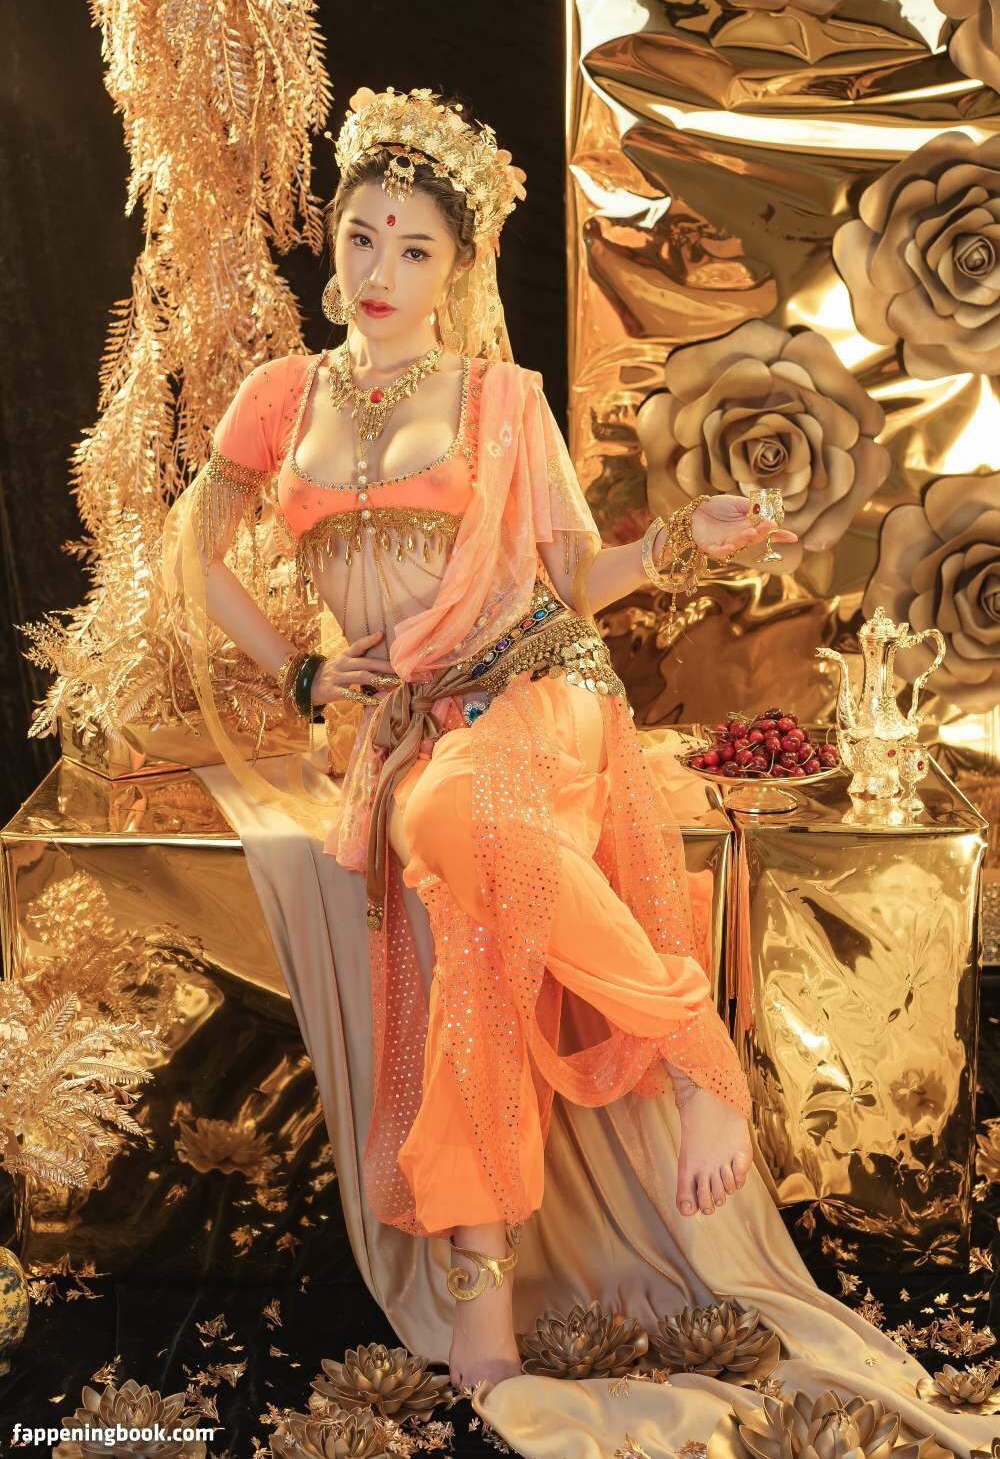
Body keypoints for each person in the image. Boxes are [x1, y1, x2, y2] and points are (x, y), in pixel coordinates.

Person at [164, 84, 797, 1390]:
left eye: (415, 250)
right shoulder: (281, 398)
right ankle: (485, 1315)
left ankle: (695, 1056)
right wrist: (299, 669)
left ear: (456, 271)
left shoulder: (502, 401)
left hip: (542, 689)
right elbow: (195, 554)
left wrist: (683, 542)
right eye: (362, 238)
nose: (380, 272)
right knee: (469, 950)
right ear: (334, 242)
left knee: (457, 819)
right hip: (418, 730)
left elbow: (574, 584)